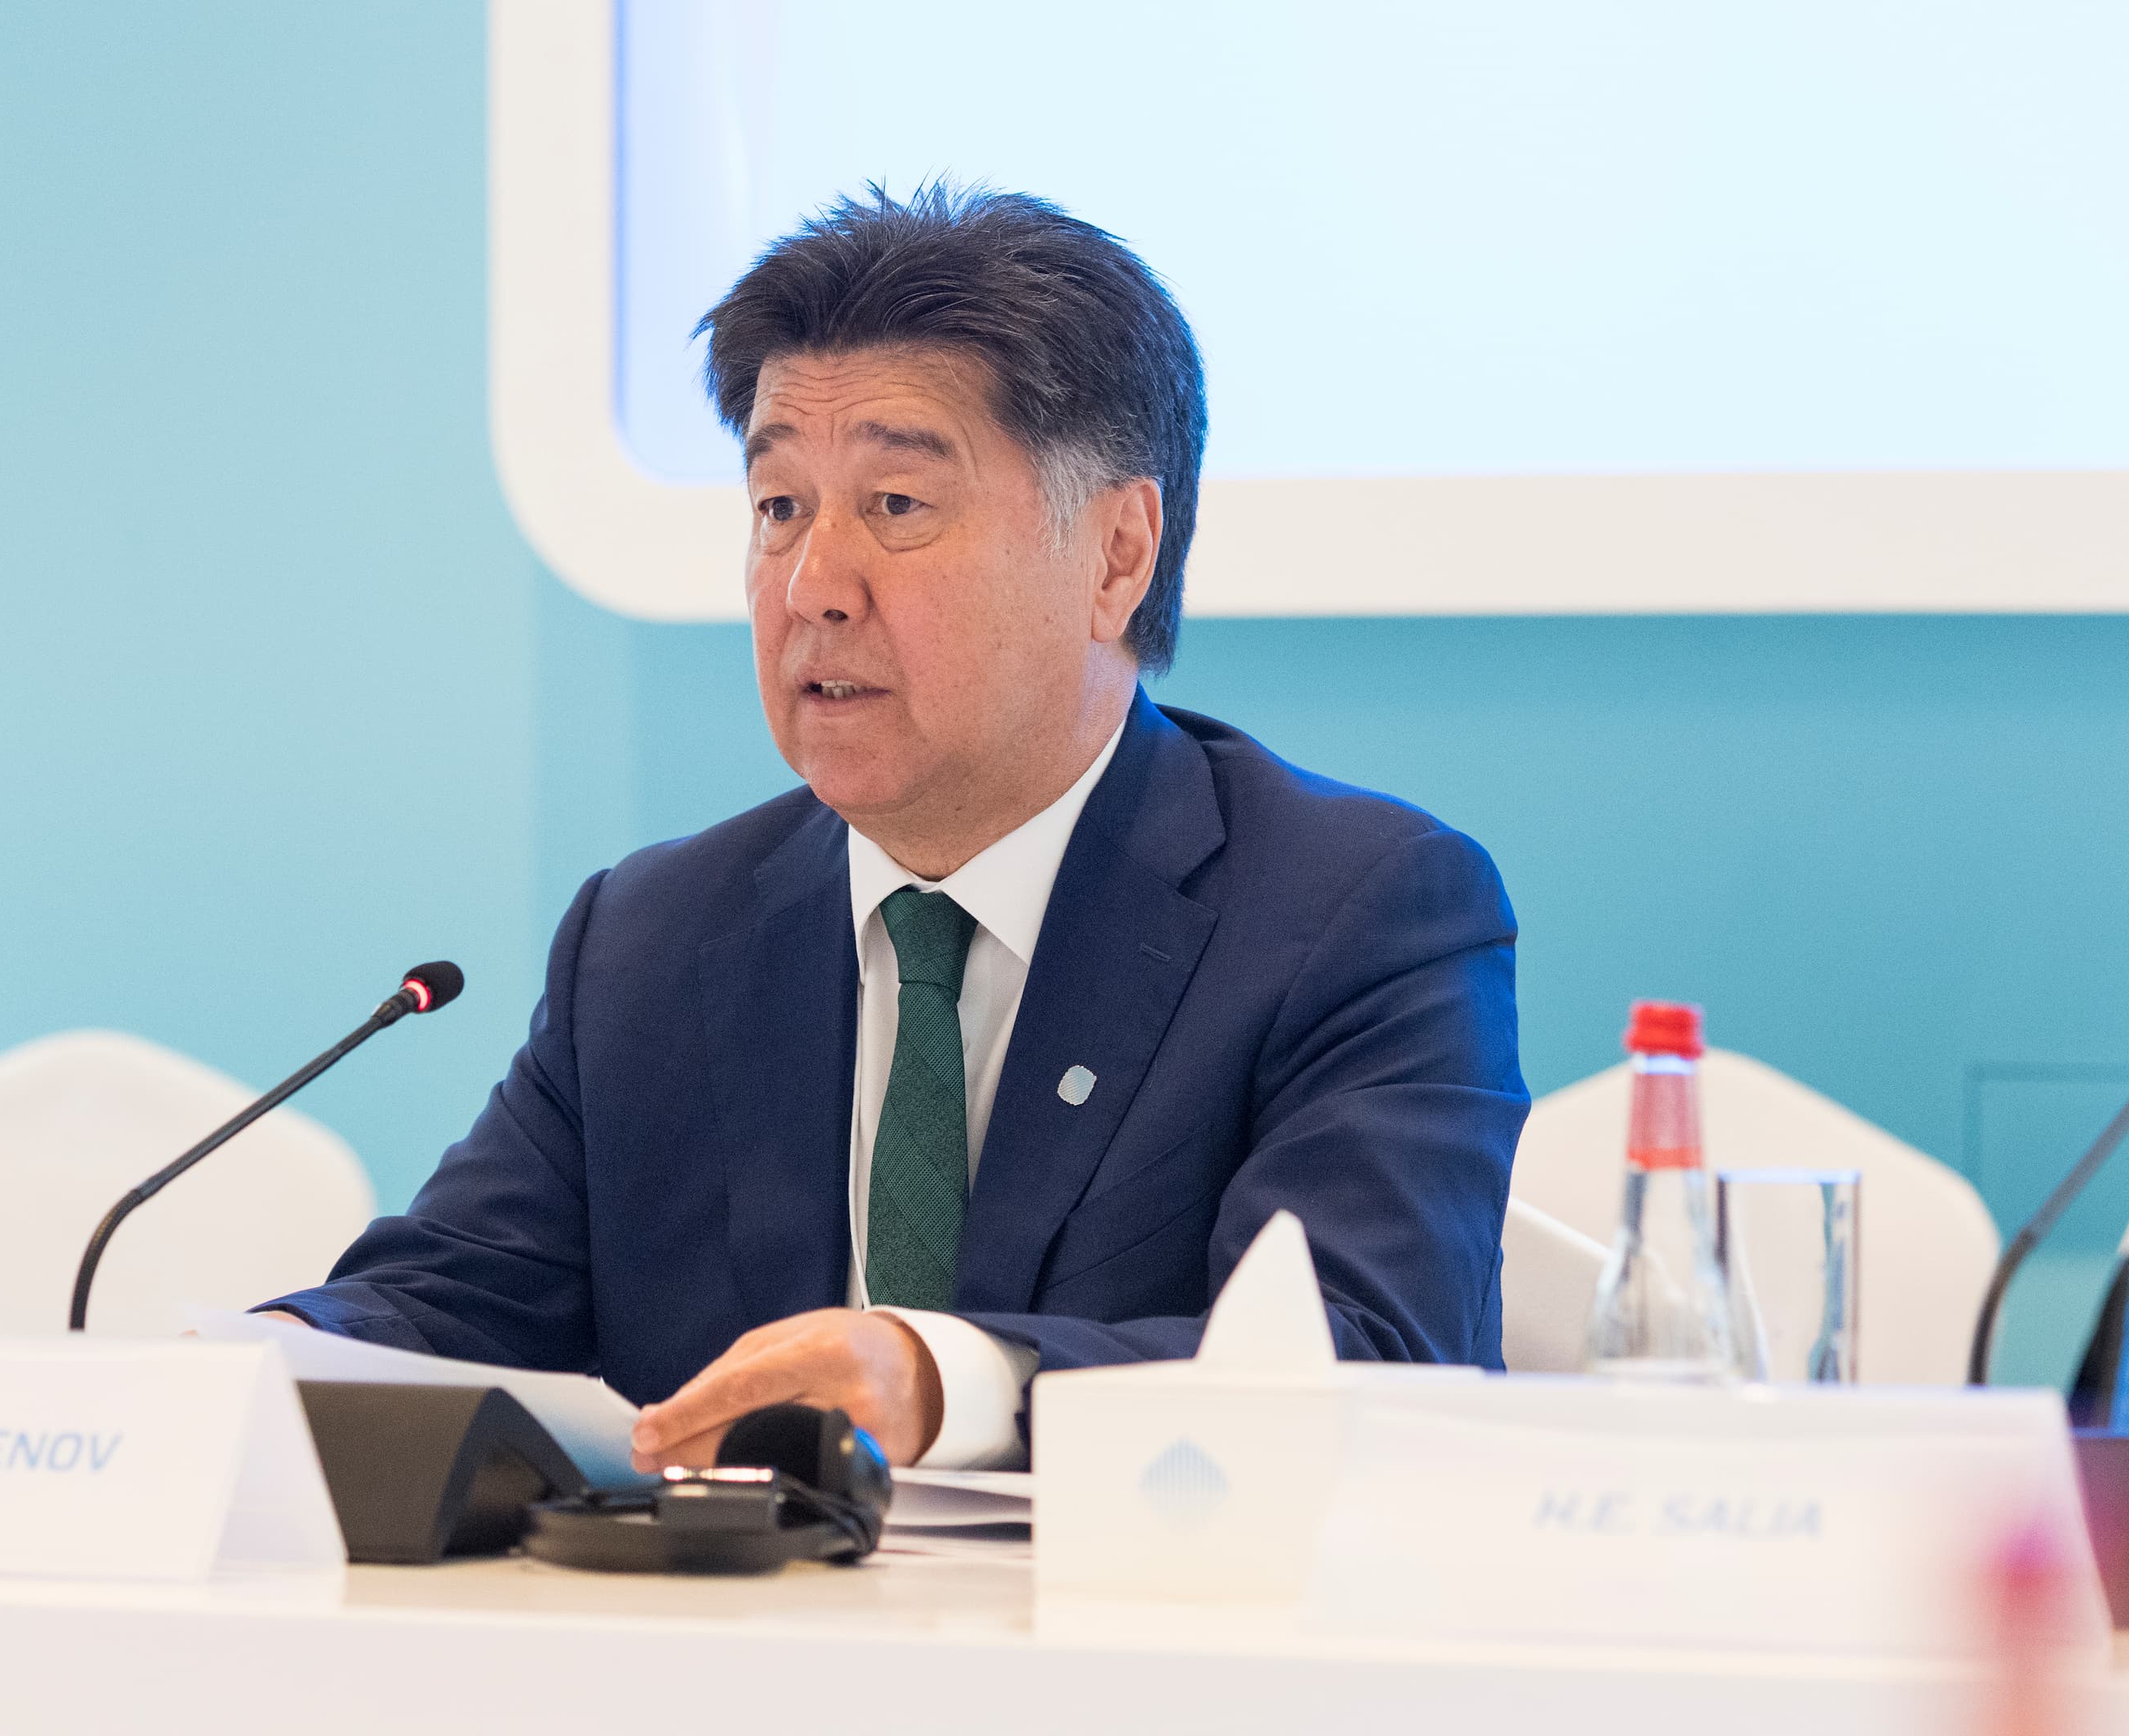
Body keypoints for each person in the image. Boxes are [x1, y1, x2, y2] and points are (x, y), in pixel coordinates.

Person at [260, 184, 1526, 1472]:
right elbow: (448, 1306)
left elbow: (1372, 1359)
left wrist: (947, 1383)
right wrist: (238, 1371)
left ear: (1117, 556)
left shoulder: (1357, 913)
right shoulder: (649, 937)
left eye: (897, 507)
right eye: (778, 508)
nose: (813, 586)